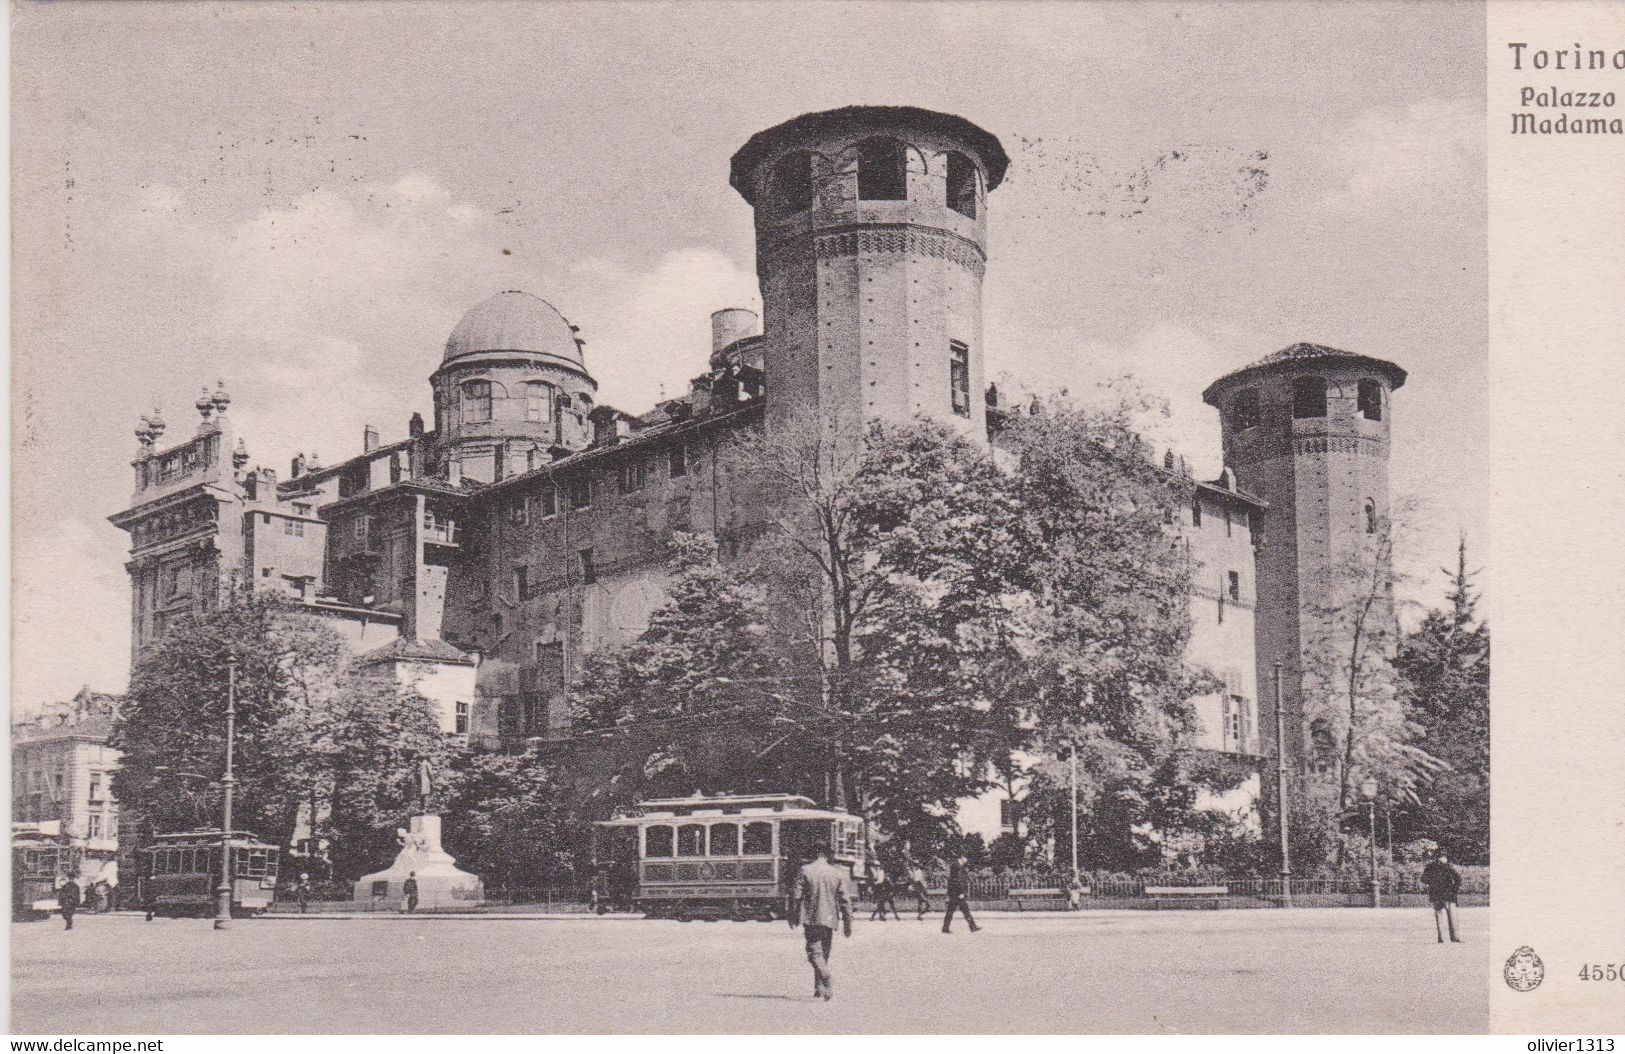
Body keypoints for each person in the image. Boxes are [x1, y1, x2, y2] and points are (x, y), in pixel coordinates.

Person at [789, 846, 853, 1001]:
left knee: (814, 953)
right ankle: (819, 988)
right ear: (827, 856)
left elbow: (796, 896)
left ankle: (826, 978)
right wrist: (848, 924)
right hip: (830, 919)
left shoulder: (805, 870)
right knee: (824, 953)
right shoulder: (837, 873)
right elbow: (845, 901)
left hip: (812, 918)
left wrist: (793, 916)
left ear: (815, 855)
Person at [1421, 849, 1462, 943]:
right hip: (1449, 895)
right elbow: (1458, 879)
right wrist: (1454, 889)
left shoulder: (1430, 867)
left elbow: (1423, 879)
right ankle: (1455, 938)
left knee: (1439, 916)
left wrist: (1432, 884)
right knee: (1452, 917)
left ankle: (1441, 938)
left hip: (1436, 894)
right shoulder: (1448, 867)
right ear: (1444, 857)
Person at [941, 852, 980, 934]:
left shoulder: (958, 866)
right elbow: (957, 881)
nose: (967, 860)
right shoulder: (956, 866)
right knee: (961, 910)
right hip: (956, 893)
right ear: (962, 857)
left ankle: (946, 928)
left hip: (954, 892)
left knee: (954, 910)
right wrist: (960, 892)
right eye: (966, 858)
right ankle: (972, 926)